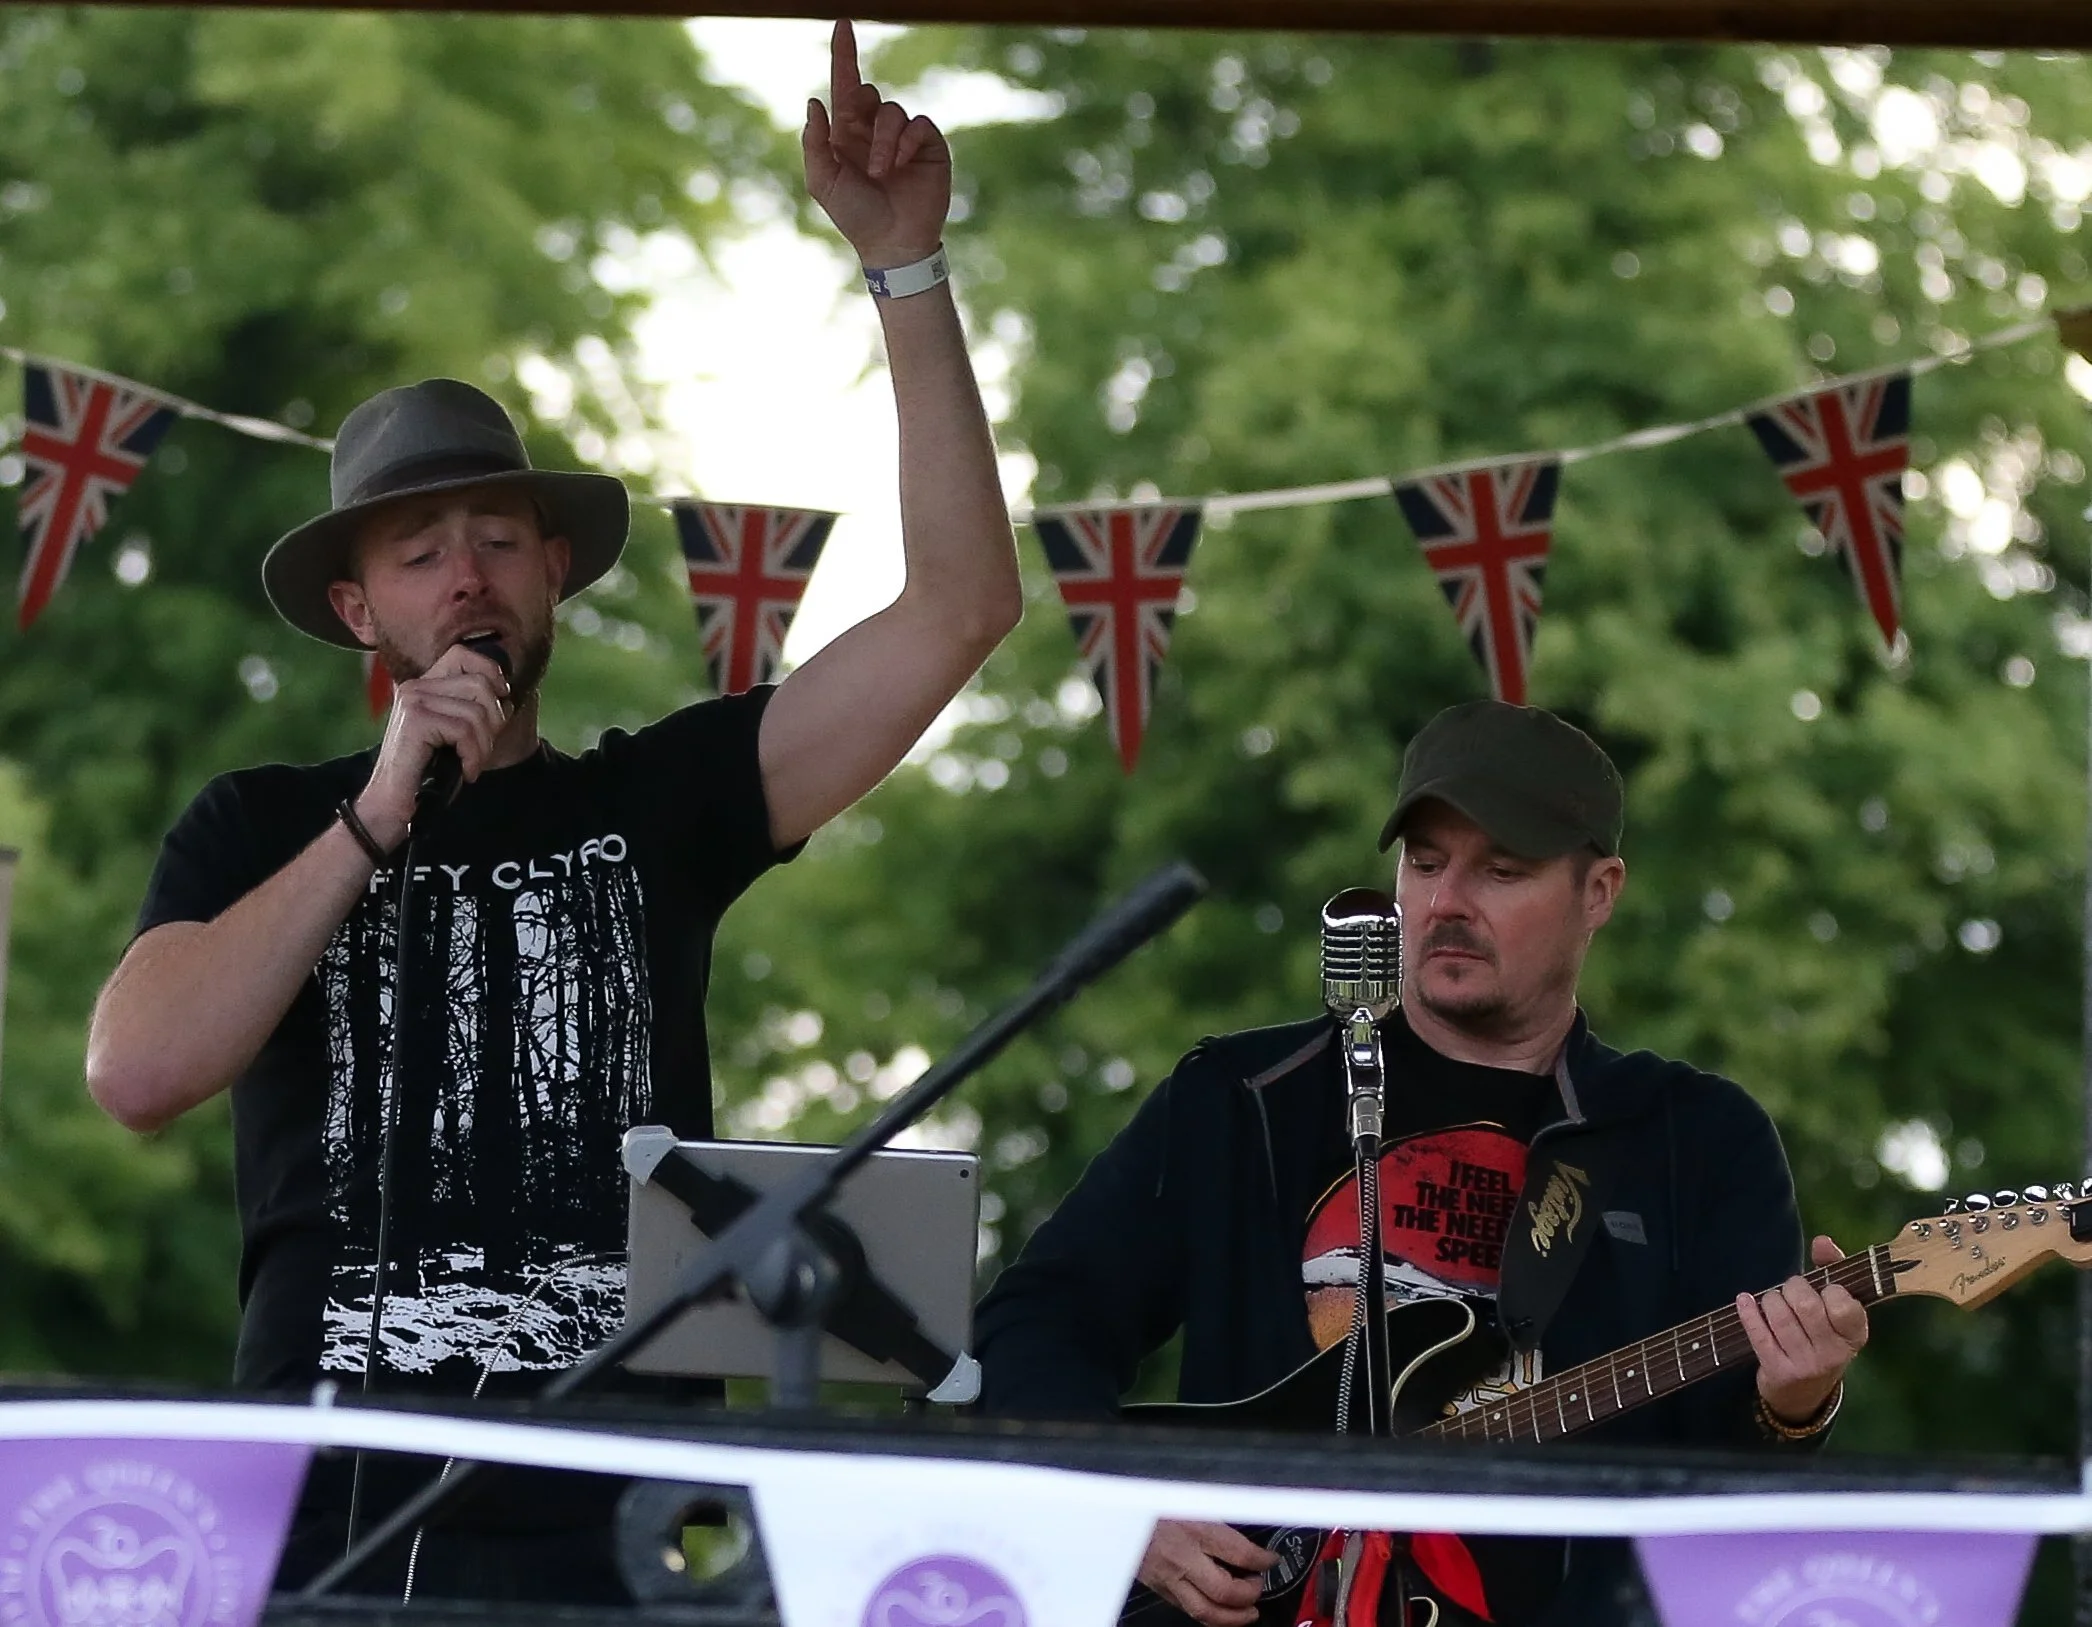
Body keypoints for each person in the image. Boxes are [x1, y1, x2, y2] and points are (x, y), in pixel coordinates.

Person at [84, 21, 1019, 1603]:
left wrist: (907, 268)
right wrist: (375, 817)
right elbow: (135, 1071)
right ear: (358, 609)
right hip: (329, 1535)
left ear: (558, 574)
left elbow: (961, 609)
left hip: (617, 1538)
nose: (467, 574)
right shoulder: (258, 824)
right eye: (419, 552)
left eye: (502, 538)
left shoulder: (658, 803)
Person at [974, 700, 1870, 1627]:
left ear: (1599, 892)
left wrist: (1794, 1404)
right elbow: (1040, 1317)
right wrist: (1114, 1504)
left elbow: (1725, 1497)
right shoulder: (1248, 1097)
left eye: (1502, 871)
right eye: (1426, 862)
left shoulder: (1697, 1138)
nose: (1446, 903)